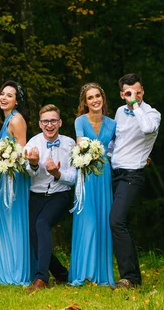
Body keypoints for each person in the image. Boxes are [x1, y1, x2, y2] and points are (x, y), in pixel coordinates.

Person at [110, 73, 161, 289]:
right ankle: (131, 276)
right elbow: (115, 142)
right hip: (114, 173)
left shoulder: (151, 114)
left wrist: (136, 106)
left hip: (133, 175)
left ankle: (130, 278)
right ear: (122, 94)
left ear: (143, 91)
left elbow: (148, 129)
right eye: (129, 93)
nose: (135, 96)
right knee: (118, 222)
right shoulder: (120, 112)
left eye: (138, 92)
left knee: (117, 220)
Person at [25, 104, 77, 292]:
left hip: (59, 195)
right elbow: (27, 173)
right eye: (46, 121)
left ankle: (41, 279)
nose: (49, 124)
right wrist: (33, 164)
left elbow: (73, 178)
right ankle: (61, 274)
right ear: (40, 124)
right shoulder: (32, 143)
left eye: (53, 120)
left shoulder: (70, 144)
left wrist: (57, 173)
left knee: (42, 223)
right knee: (35, 239)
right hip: (36, 196)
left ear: (60, 122)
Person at [68, 83, 116, 287]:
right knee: (88, 221)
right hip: (86, 173)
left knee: (102, 220)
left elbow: (119, 147)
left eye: (98, 96)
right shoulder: (80, 121)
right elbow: (80, 142)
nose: (95, 100)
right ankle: (84, 272)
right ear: (85, 102)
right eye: (90, 98)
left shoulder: (113, 124)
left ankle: (101, 274)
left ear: (103, 98)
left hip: (104, 174)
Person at [0, 81, 32, 286]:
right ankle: (5, 271)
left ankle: (15, 272)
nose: (4, 98)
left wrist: (7, 160)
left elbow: (22, 151)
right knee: (0, 223)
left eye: (10, 95)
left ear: (16, 101)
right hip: (5, 176)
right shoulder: (6, 120)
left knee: (10, 223)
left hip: (15, 179)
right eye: (2, 94)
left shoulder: (16, 120)